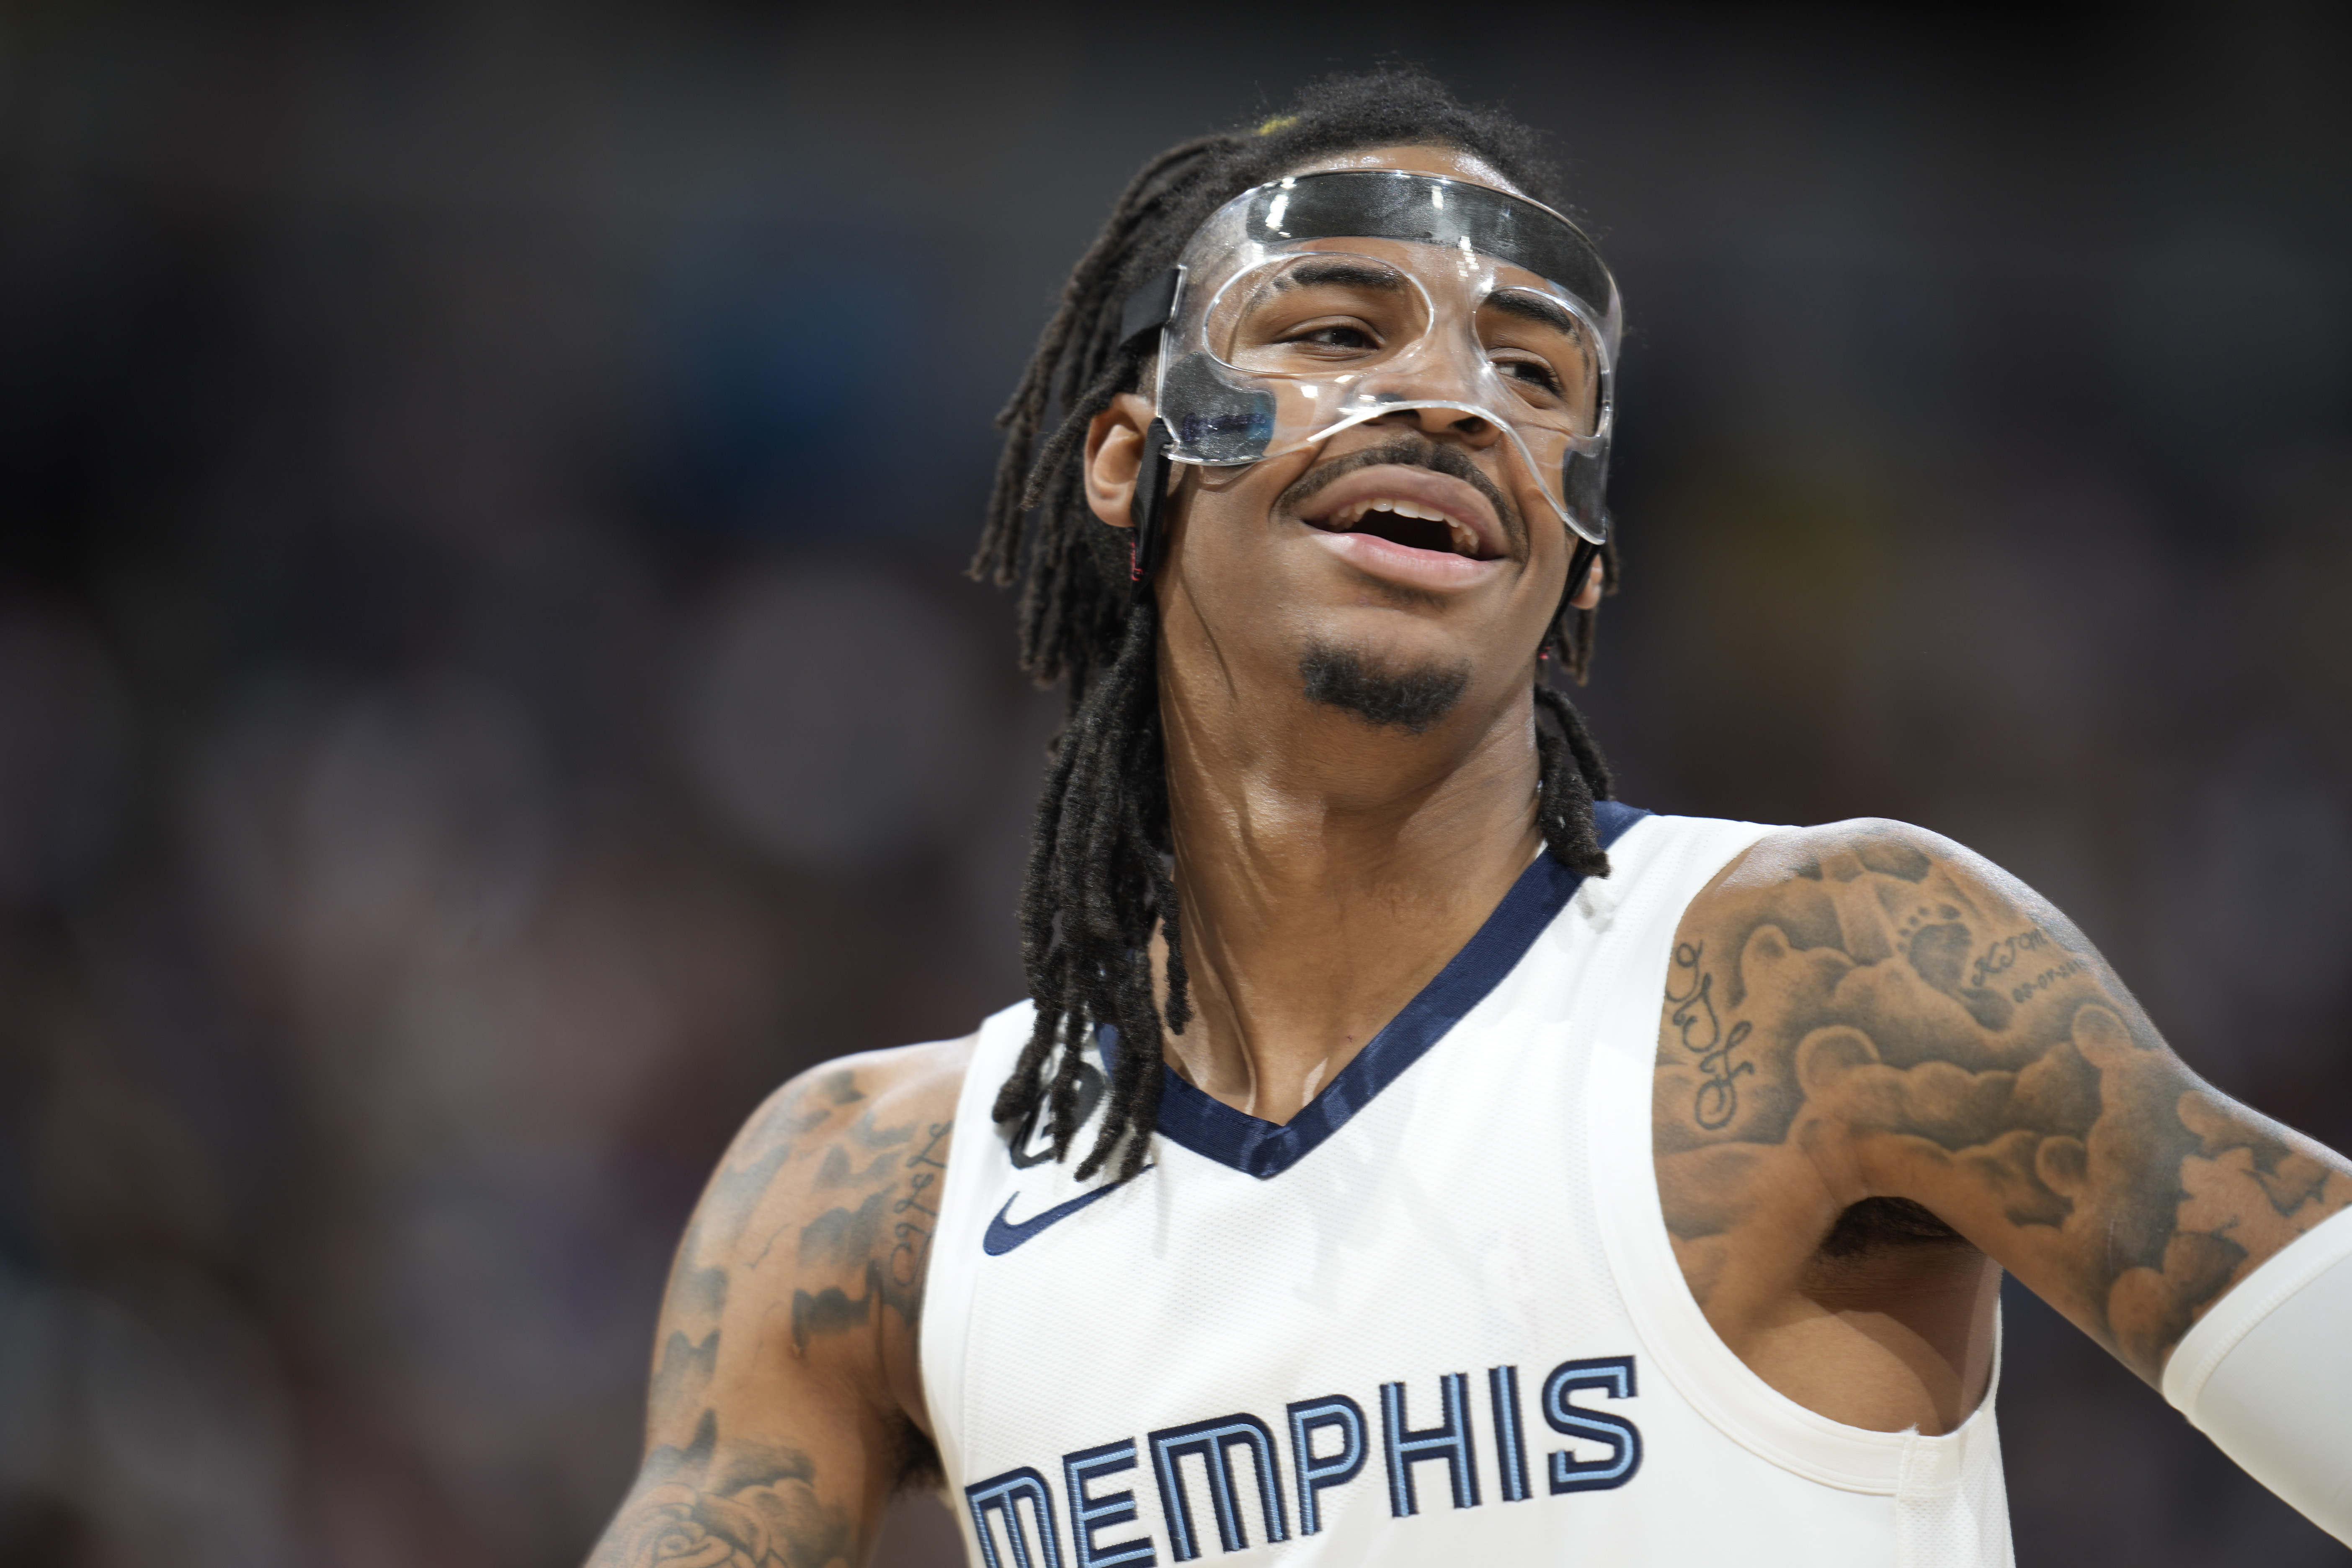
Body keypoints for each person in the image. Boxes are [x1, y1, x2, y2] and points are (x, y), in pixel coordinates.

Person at [585, 71, 2352, 1568]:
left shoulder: (1842, 982)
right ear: (1128, 460)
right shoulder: (864, 1197)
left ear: (1580, 556)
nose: (1447, 400)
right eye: (1338, 329)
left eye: (1535, 373)